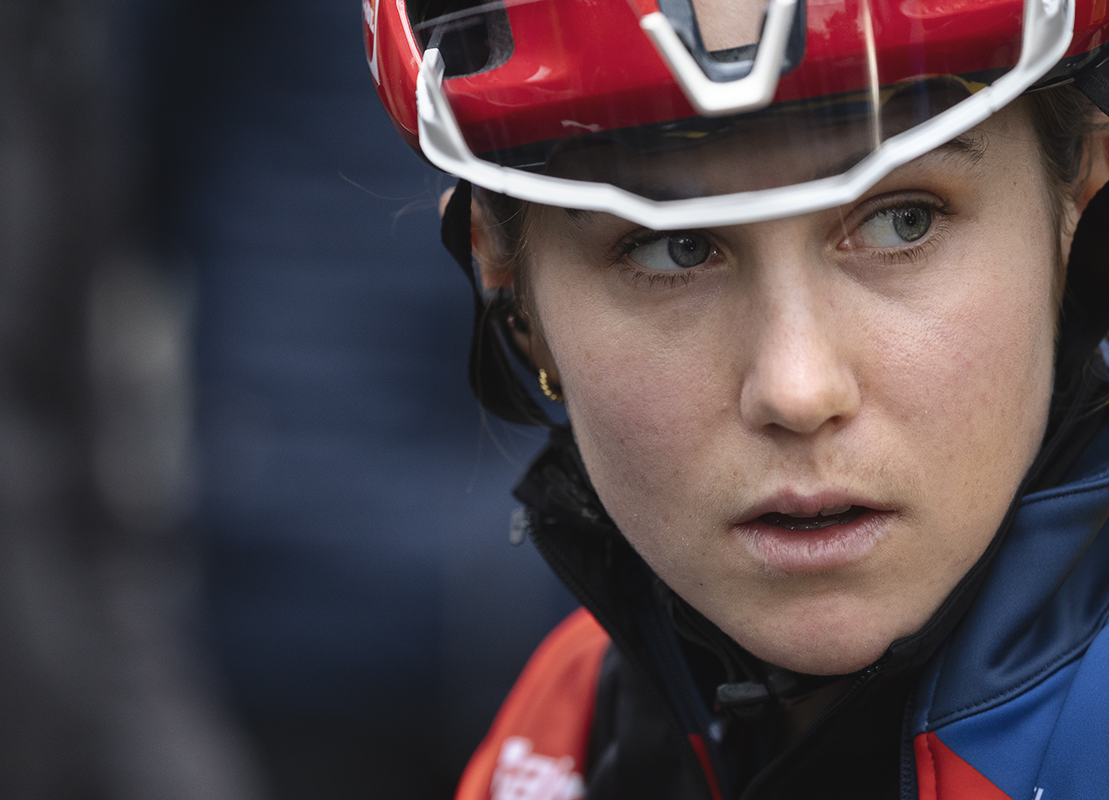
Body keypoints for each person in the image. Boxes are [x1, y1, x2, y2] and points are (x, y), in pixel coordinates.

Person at [368, 0, 1109, 797]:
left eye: (902, 221)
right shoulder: (566, 735)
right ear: (511, 297)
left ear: (1081, 207)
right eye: (674, 249)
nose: (798, 390)